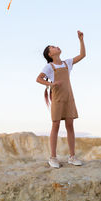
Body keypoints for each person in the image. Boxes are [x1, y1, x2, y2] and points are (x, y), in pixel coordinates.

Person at [36, 30, 86, 168]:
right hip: (57, 98)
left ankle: (72, 156)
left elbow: (82, 55)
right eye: (52, 47)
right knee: (56, 125)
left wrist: (81, 40)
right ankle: (53, 157)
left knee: (70, 125)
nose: (55, 46)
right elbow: (38, 79)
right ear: (50, 54)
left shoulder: (67, 63)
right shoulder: (49, 66)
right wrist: (51, 84)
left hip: (69, 98)